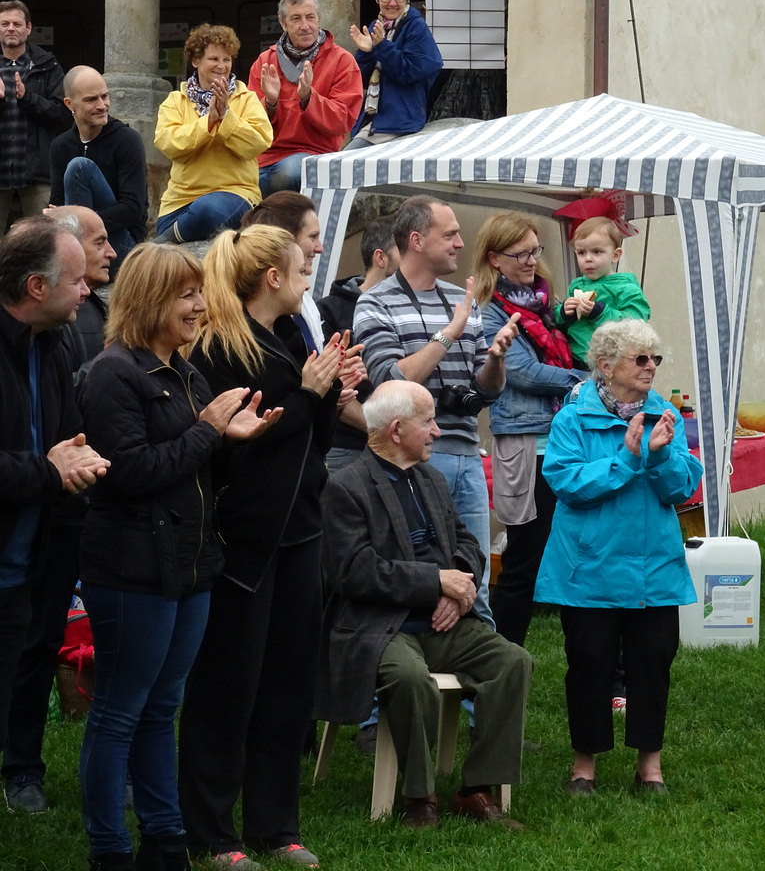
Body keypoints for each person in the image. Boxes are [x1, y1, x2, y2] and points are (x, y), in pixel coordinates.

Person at [77, 242, 281, 871]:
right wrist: (207, 433)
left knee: (161, 706)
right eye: (187, 295)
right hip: (132, 569)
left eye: (199, 294)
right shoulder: (115, 373)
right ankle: (111, 848)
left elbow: (194, 471)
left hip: (189, 566)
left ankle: (164, 842)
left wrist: (230, 443)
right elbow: (130, 472)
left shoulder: (185, 371)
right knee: (118, 710)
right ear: (149, 300)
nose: (200, 306)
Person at [179, 225, 362, 871]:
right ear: (272, 279)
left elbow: (311, 449)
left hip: (300, 535)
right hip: (245, 541)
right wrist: (312, 393)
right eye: (302, 267)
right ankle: (210, 833)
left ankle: (275, 825)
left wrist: (330, 391)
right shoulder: (222, 350)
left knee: (287, 686)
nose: (312, 275)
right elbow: (248, 452)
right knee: (229, 688)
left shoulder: (290, 338)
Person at [316, 380, 533, 828]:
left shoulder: (430, 479)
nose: (437, 431)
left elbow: (467, 543)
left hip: (442, 621)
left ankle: (475, 790)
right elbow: (353, 571)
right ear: (396, 430)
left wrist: (457, 589)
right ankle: (420, 796)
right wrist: (435, 581)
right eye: (428, 421)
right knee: (410, 678)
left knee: (512, 661)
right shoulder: (345, 487)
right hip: (379, 627)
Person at [534, 319, 701, 795]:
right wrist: (627, 460)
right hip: (588, 567)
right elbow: (567, 484)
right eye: (640, 359)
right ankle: (583, 766)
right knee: (589, 662)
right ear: (605, 366)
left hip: (653, 566)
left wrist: (663, 456)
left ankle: (651, 766)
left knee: (653, 661)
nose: (651, 368)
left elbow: (682, 489)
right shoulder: (572, 419)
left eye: (655, 359)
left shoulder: (664, 414)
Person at [353, 196, 520, 627]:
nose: (461, 243)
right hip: (410, 459)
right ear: (416, 240)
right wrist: (450, 332)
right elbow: (390, 380)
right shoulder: (375, 301)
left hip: (466, 451)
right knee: (422, 578)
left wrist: (497, 360)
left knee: (475, 584)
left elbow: (484, 394)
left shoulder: (462, 299)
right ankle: (417, 684)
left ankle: (473, 690)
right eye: (449, 234)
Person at [2, 206, 115, 814]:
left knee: (32, 654)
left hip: (35, 549)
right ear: (35, 286)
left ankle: (22, 769)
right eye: (76, 280)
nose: (90, 288)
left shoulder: (55, 341)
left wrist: (72, 462)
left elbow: (69, 439)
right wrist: (49, 470)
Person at [472, 212, 584, 647]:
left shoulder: (543, 304)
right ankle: (501, 662)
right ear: (494, 259)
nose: (532, 261)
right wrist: (584, 382)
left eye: (536, 251)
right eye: (521, 254)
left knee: (569, 552)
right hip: (527, 445)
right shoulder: (490, 312)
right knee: (524, 559)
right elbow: (522, 372)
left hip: (559, 439)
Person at [155, 25, 272, 244]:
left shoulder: (246, 98)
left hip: (235, 194)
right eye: (214, 59)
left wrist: (226, 116)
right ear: (195, 61)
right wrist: (208, 122)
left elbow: (259, 142)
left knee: (207, 209)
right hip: (179, 202)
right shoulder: (175, 100)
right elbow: (167, 142)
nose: (221, 66)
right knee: (195, 212)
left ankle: (157, 247)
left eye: (227, 59)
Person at [248, 0, 362, 195]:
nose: (305, 25)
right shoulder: (265, 62)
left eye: (310, 17)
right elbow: (248, 121)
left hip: (313, 155)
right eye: (296, 18)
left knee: (288, 173)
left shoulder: (342, 61)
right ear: (283, 23)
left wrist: (309, 98)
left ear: (319, 19)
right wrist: (270, 102)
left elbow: (344, 120)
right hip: (265, 156)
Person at [318, 214, 399, 473]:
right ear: (380, 258)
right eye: (404, 250)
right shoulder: (330, 310)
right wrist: (380, 428)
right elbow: (328, 387)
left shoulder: (410, 311)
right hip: (349, 449)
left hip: (400, 447)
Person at [49, 67, 148, 268]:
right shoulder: (61, 146)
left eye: (105, 96)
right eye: (91, 99)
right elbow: (57, 205)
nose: (102, 105)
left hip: (122, 244)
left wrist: (78, 221)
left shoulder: (126, 140)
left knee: (79, 167)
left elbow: (133, 209)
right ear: (69, 104)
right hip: (78, 244)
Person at [346, 0, 443, 149]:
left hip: (399, 121)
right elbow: (358, 80)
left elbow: (408, 72)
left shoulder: (416, 27)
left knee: (343, 165)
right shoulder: (378, 25)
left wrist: (382, 46)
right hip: (373, 118)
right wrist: (365, 52)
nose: (392, 3)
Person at [0, 0, 69, 234]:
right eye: (5, 23)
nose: (11, 28)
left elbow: (62, 115)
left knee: (40, 242)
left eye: (17, 24)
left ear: (28, 28)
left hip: (36, 172)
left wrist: (27, 97)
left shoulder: (47, 65)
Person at [554, 216, 651, 368]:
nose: (588, 259)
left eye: (597, 252)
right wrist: (564, 312)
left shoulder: (625, 287)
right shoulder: (576, 285)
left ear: (615, 255)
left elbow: (637, 324)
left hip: (610, 364)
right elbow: (560, 324)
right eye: (581, 253)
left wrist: (600, 312)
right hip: (573, 359)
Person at [242, 191, 325, 353]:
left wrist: (334, 372)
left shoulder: (305, 302)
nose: (320, 248)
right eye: (313, 237)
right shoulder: (252, 324)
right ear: (286, 240)